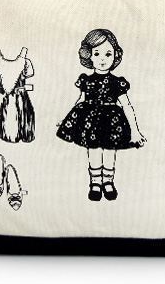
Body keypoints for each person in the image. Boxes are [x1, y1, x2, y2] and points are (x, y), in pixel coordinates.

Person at [57, 29, 146, 201]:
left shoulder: (117, 82)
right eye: (97, 53)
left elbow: (127, 105)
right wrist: (67, 119)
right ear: (89, 56)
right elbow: (80, 101)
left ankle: (108, 182)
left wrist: (135, 132)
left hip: (112, 122)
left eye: (108, 54)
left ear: (115, 56)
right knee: (94, 150)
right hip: (90, 121)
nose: (103, 59)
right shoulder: (86, 80)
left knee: (110, 150)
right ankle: (95, 183)